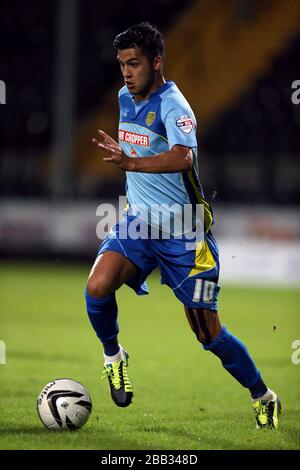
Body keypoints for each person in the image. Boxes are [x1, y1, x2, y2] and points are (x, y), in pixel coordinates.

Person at [85, 22, 281, 429]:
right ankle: (113, 357)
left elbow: (182, 158)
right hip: (139, 221)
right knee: (97, 285)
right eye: (122, 64)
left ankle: (263, 395)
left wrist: (131, 162)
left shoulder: (176, 107)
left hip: (186, 233)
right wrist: (128, 155)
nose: (126, 72)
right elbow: (141, 149)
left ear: (157, 63)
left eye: (134, 64)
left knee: (208, 334)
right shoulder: (125, 98)